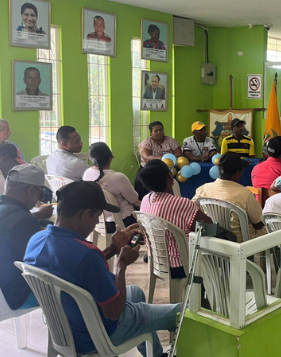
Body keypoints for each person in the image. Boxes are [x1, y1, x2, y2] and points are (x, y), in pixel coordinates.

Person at [24, 181, 179, 357]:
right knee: (181, 312)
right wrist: (121, 265)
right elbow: (114, 313)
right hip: (100, 333)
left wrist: (112, 249)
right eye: (97, 216)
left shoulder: (37, 240)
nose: (97, 222)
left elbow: (77, 268)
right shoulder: (87, 254)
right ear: (86, 214)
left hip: (68, 327)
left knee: (135, 292)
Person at [139, 160, 212, 276]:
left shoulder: (145, 200)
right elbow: (208, 227)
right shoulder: (181, 203)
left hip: (156, 261)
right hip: (181, 265)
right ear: (170, 177)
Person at [0, 165, 52, 310]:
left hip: (2, 290)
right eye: (40, 194)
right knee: (72, 287)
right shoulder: (24, 221)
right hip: (15, 296)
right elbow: (39, 266)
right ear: (31, 190)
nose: (39, 200)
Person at [193, 152, 267, 243]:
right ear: (238, 173)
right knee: (269, 228)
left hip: (212, 240)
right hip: (241, 243)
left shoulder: (203, 189)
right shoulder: (245, 194)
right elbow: (259, 223)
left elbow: (192, 211)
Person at [83, 142, 139, 233]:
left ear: (91, 159)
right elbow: (134, 199)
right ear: (110, 158)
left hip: (97, 220)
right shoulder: (118, 177)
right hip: (120, 222)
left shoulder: (87, 173)